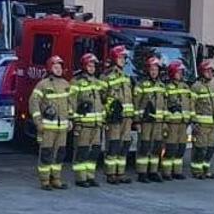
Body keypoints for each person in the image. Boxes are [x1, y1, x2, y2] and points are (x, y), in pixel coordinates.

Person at [31, 55, 74, 190]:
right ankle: (45, 180)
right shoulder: (43, 84)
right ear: (50, 68)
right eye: (56, 67)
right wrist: (38, 122)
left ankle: (56, 179)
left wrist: (71, 119)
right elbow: (33, 102)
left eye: (60, 67)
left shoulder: (66, 84)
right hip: (48, 127)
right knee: (46, 153)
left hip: (62, 128)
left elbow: (70, 104)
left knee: (60, 153)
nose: (59, 69)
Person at [97, 45, 135, 185]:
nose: (123, 60)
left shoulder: (126, 77)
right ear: (114, 58)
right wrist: (109, 111)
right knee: (113, 145)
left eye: (124, 58)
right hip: (114, 118)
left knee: (124, 145)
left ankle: (120, 172)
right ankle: (110, 173)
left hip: (127, 117)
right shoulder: (106, 76)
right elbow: (101, 97)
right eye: (120, 57)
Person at [67, 53, 105, 187]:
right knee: (82, 151)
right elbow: (70, 103)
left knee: (94, 151)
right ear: (84, 66)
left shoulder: (98, 82)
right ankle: (80, 178)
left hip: (96, 124)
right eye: (90, 65)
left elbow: (102, 102)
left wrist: (103, 119)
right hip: (83, 125)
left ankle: (90, 176)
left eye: (94, 65)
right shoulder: (75, 82)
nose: (92, 68)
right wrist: (75, 121)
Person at [132, 55, 168, 183]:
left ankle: (153, 171)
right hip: (146, 122)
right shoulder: (141, 85)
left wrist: (165, 122)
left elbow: (165, 105)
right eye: (152, 69)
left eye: (156, 69)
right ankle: (142, 173)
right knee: (144, 147)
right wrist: (137, 121)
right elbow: (136, 104)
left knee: (156, 148)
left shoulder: (162, 86)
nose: (154, 72)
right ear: (148, 70)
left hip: (158, 123)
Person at [188, 59, 214, 179]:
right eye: (208, 71)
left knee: (210, 149)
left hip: (212, 125)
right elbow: (191, 105)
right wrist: (194, 121)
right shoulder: (196, 87)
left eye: (211, 71)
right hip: (201, 125)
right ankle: (197, 171)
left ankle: (205, 169)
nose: (210, 73)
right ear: (202, 72)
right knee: (200, 148)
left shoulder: (213, 87)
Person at [162, 60, 193, 181]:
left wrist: (190, 117)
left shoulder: (186, 87)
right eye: (178, 71)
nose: (181, 73)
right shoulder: (167, 88)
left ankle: (177, 171)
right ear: (172, 72)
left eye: (181, 71)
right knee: (170, 148)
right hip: (172, 124)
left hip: (183, 124)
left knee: (181, 148)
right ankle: (166, 172)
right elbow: (164, 105)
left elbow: (190, 104)